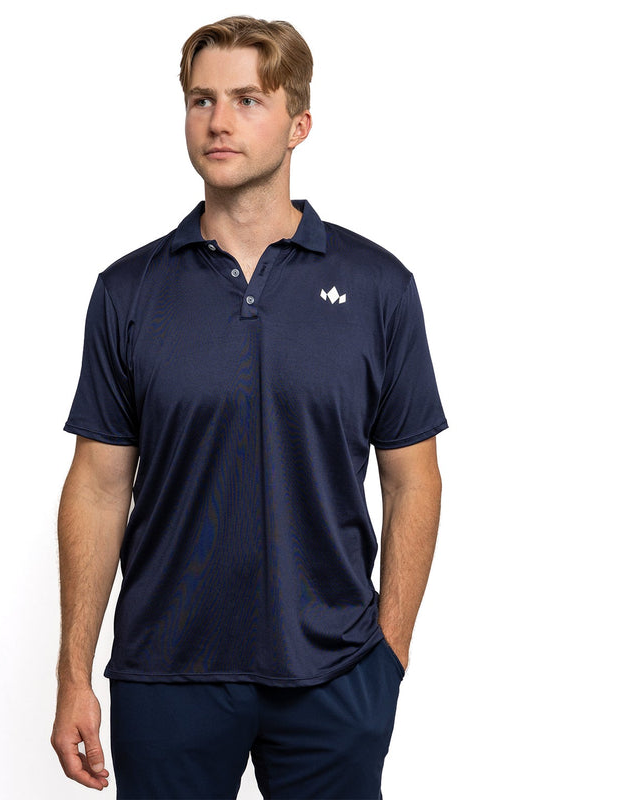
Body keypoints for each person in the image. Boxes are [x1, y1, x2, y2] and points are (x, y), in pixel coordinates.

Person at [51, 15, 447, 799]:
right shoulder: (128, 292)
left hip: (335, 673)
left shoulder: (378, 287)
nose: (218, 121)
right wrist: (72, 675)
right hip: (165, 674)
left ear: (300, 124)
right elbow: (97, 486)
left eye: (247, 99)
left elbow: (413, 479)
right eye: (201, 100)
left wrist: (389, 654)